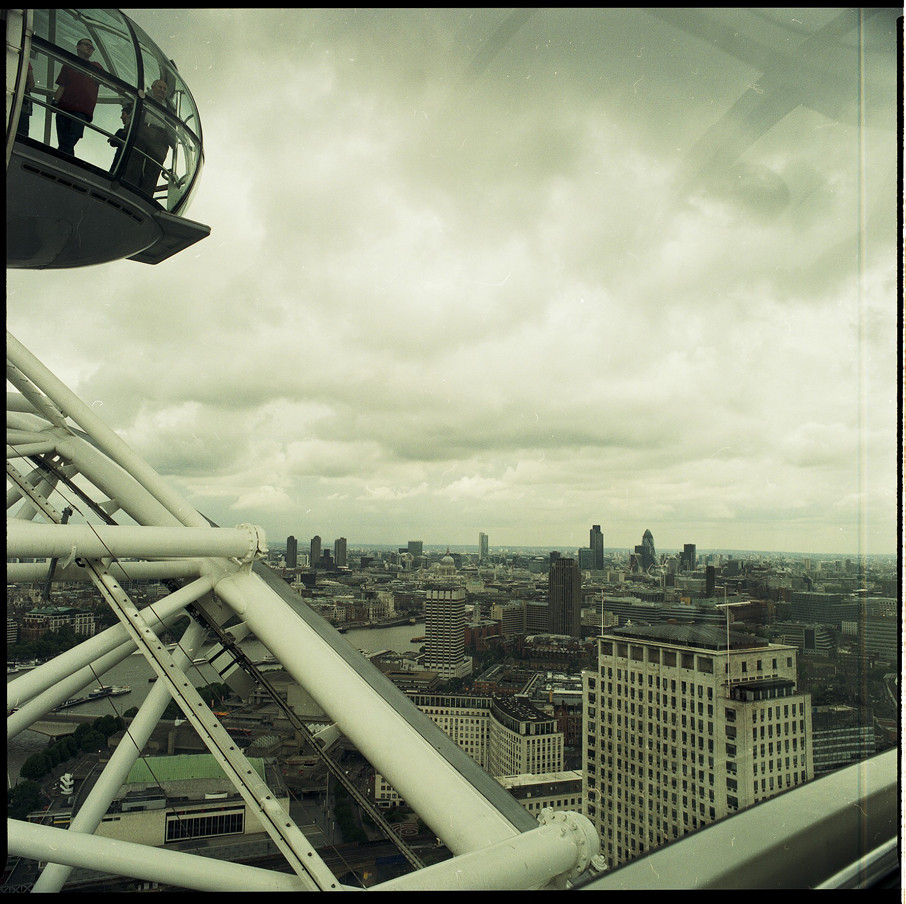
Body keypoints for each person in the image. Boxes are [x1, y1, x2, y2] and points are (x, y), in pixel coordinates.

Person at [53, 38, 103, 155]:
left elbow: (107, 81)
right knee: (65, 142)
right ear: (78, 46)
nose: (90, 48)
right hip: (64, 108)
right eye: (87, 45)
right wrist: (55, 101)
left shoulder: (96, 66)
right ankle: (64, 160)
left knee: (68, 141)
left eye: (91, 47)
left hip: (81, 112)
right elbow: (62, 86)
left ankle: (61, 160)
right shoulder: (69, 64)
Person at [16, 62, 35, 138]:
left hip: (21, 98)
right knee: (22, 130)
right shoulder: (26, 62)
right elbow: (32, 84)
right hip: (23, 99)